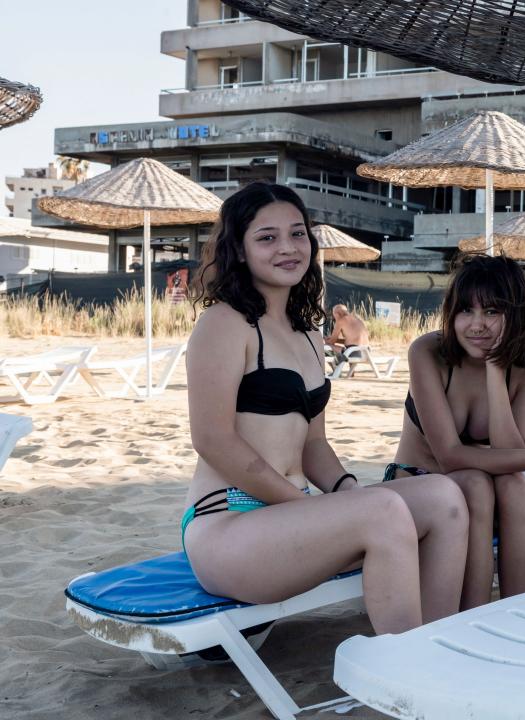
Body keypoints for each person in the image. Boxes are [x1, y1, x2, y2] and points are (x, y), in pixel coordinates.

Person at [183, 182, 468, 634]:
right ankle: (408, 666)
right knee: (383, 511)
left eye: (298, 234)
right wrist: (303, 505)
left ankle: (438, 639)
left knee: (443, 496)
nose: (288, 248)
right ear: (237, 250)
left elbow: (313, 443)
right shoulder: (223, 323)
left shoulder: (309, 335)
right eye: (267, 237)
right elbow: (213, 441)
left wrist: (346, 489)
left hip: (295, 517)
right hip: (230, 526)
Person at [387, 253, 525, 609]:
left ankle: (516, 612)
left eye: (492, 312)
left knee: (515, 486)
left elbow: (509, 453)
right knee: (478, 485)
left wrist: (496, 372)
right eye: (465, 311)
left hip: (480, 490)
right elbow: (449, 456)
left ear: (515, 315)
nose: (476, 325)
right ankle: (473, 616)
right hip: (415, 483)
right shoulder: (428, 352)